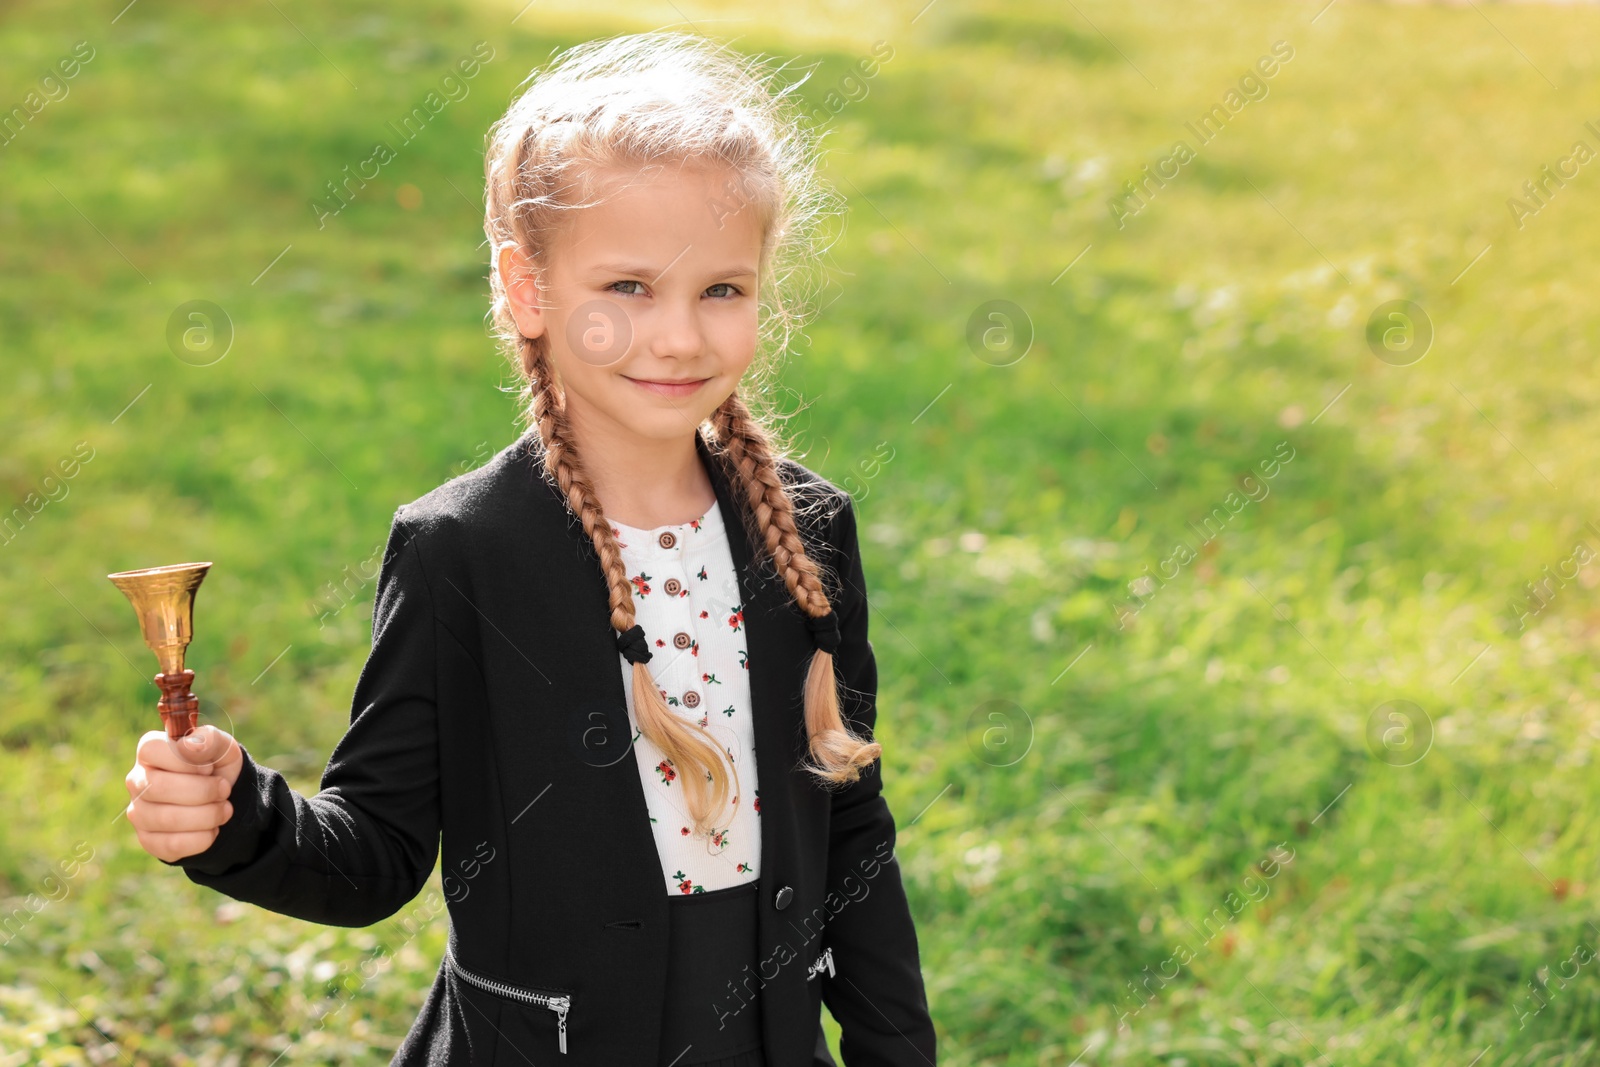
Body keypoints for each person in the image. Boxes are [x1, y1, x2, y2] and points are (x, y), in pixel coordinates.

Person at [122, 29, 937, 1067]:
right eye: (629, 288)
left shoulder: (805, 530)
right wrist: (238, 814)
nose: (680, 336)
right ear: (528, 289)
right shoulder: (464, 552)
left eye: (720, 289)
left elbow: (852, 830)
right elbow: (374, 854)